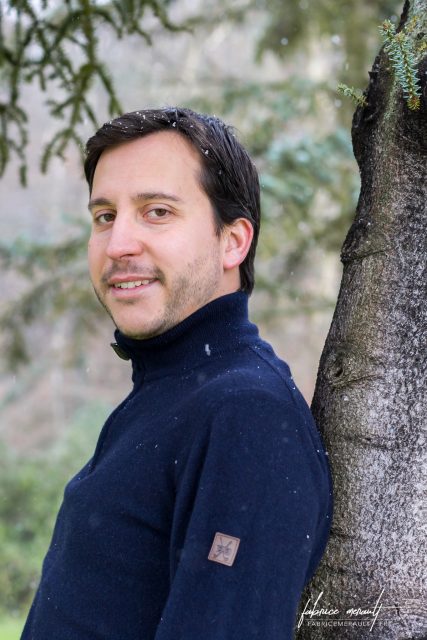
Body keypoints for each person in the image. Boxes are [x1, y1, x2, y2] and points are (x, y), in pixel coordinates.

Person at [21, 107, 333, 640]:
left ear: (233, 241)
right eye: (104, 216)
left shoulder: (245, 414)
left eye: (157, 211)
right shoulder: (167, 392)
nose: (118, 244)